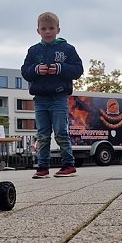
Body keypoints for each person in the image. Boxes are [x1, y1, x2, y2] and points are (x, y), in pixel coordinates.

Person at [21, 11, 84, 178]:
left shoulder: (67, 49)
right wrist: (36, 70)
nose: (47, 31)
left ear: (58, 30)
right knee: (42, 134)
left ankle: (68, 165)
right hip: (40, 99)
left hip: (59, 97)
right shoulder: (33, 51)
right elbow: (25, 71)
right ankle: (43, 167)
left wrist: (60, 68)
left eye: (51, 28)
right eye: (44, 28)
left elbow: (78, 70)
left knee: (61, 132)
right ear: (38, 31)